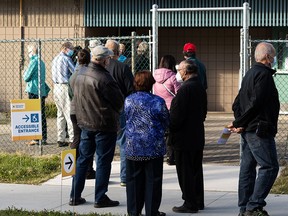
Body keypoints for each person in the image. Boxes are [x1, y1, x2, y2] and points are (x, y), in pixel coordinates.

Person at [228, 42, 280, 216]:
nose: (273, 59)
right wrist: (239, 122)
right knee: (270, 167)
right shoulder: (263, 75)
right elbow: (256, 104)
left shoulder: (249, 74)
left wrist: (240, 122)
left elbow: (237, 103)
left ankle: (244, 207)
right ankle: (253, 205)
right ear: (267, 57)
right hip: (259, 130)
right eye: (273, 56)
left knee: (247, 168)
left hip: (249, 129)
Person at [69, 45, 124, 208]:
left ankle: (74, 195)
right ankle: (100, 197)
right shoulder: (104, 78)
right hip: (103, 125)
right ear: (105, 60)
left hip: (85, 124)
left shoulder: (80, 73)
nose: (109, 61)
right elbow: (119, 101)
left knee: (83, 160)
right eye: (108, 59)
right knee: (103, 161)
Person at [125, 70, 169, 216]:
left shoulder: (128, 100)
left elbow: (124, 119)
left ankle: (133, 211)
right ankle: (151, 211)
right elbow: (166, 121)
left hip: (133, 147)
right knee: (153, 180)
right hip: (153, 147)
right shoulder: (158, 101)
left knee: (133, 181)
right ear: (151, 83)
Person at [170, 60, 207, 213]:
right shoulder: (199, 86)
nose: (178, 72)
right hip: (197, 133)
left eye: (179, 69)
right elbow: (204, 111)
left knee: (185, 172)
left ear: (185, 71)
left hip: (183, 137)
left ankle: (190, 202)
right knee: (196, 170)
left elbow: (176, 116)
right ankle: (198, 200)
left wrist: (170, 129)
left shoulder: (185, 89)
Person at [105, 39, 134, 186]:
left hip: (103, 110)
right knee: (123, 143)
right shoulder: (123, 67)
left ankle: (103, 177)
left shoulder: (99, 68)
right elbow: (131, 89)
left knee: (104, 145)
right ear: (118, 51)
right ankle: (124, 177)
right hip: (121, 108)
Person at [68, 48, 95, 179]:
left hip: (73, 109)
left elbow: (70, 93)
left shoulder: (73, 75)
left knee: (76, 139)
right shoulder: (88, 74)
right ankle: (88, 170)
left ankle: (72, 168)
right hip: (85, 110)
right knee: (88, 139)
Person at [153, 55, 181, 165]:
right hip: (171, 108)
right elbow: (179, 93)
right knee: (171, 133)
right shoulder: (173, 77)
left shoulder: (154, 76)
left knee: (160, 132)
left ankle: (158, 154)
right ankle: (171, 157)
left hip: (158, 107)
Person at [23, 43, 50, 146]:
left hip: (33, 90)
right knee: (42, 114)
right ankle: (43, 137)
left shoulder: (33, 62)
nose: (28, 54)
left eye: (29, 52)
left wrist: (24, 71)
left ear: (32, 52)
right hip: (41, 91)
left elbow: (26, 77)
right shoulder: (41, 62)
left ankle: (36, 138)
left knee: (34, 115)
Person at [51, 41, 75, 147]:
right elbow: (74, 71)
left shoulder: (55, 59)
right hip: (64, 86)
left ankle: (60, 138)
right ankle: (72, 138)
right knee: (68, 113)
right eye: (71, 49)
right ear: (65, 48)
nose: (72, 51)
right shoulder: (66, 59)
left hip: (56, 86)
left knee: (60, 114)